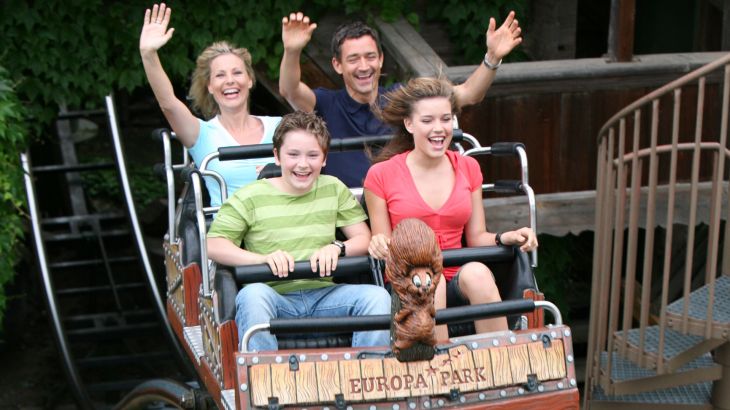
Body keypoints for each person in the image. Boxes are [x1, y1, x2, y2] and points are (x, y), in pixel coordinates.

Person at [363, 77, 538, 341]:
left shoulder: (468, 167)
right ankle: (440, 368)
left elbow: (477, 237)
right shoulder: (381, 175)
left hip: (457, 272)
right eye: (428, 121)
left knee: (478, 273)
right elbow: (384, 243)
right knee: (432, 282)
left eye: (445, 119)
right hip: (411, 278)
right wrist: (378, 243)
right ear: (409, 124)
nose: (439, 129)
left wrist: (506, 237)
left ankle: (503, 363)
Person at [206, 111, 391, 351]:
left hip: (326, 294)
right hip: (275, 297)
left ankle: (368, 376)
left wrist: (338, 247)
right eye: (293, 155)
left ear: (324, 159)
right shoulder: (249, 196)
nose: (303, 164)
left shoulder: (333, 188)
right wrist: (261, 259)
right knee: (252, 296)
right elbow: (214, 244)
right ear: (277, 156)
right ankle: (266, 381)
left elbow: (364, 238)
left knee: (377, 299)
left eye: (313, 155)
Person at [279, 11, 522, 187]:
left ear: (381, 59)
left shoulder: (401, 96)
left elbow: (469, 93)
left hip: (400, 205)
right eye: (353, 59)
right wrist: (292, 51)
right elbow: (290, 90)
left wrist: (492, 58)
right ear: (337, 65)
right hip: (347, 214)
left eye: (370, 56)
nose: (364, 66)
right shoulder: (326, 103)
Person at [140, 3, 281, 207]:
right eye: (220, 75)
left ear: (250, 80)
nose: (230, 80)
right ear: (210, 86)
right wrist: (148, 55)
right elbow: (168, 104)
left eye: (237, 72)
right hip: (232, 234)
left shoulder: (280, 127)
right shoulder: (201, 133)